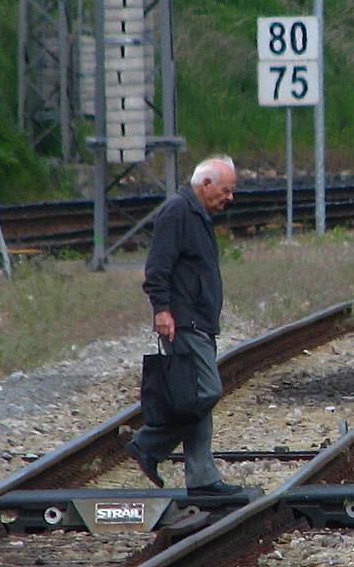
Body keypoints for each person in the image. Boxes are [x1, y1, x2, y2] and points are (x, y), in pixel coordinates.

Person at [125, 155, 242, 496]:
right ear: (205, 184)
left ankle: (203, 478)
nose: (230, 198)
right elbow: (157, 267)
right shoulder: (177, 211)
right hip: (184, 321)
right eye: (226, 190)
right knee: (205, 392)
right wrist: (162, 310)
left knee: (196, 396)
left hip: (200, 320)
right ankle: (148, 444)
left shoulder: (197, 214)